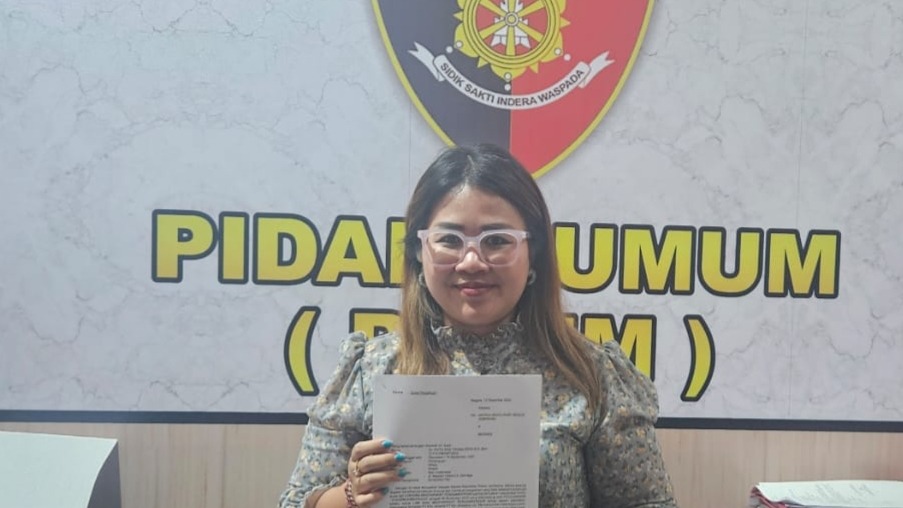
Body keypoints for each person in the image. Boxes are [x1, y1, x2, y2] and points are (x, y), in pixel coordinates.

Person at [278, 144, 678, 508]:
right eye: (449, 240)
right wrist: (351, 495)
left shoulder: (589, 373)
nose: (471, 262)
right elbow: (294, 502)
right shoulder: (370, 370)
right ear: (419, 252)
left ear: (533, 253)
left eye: (497, 240)